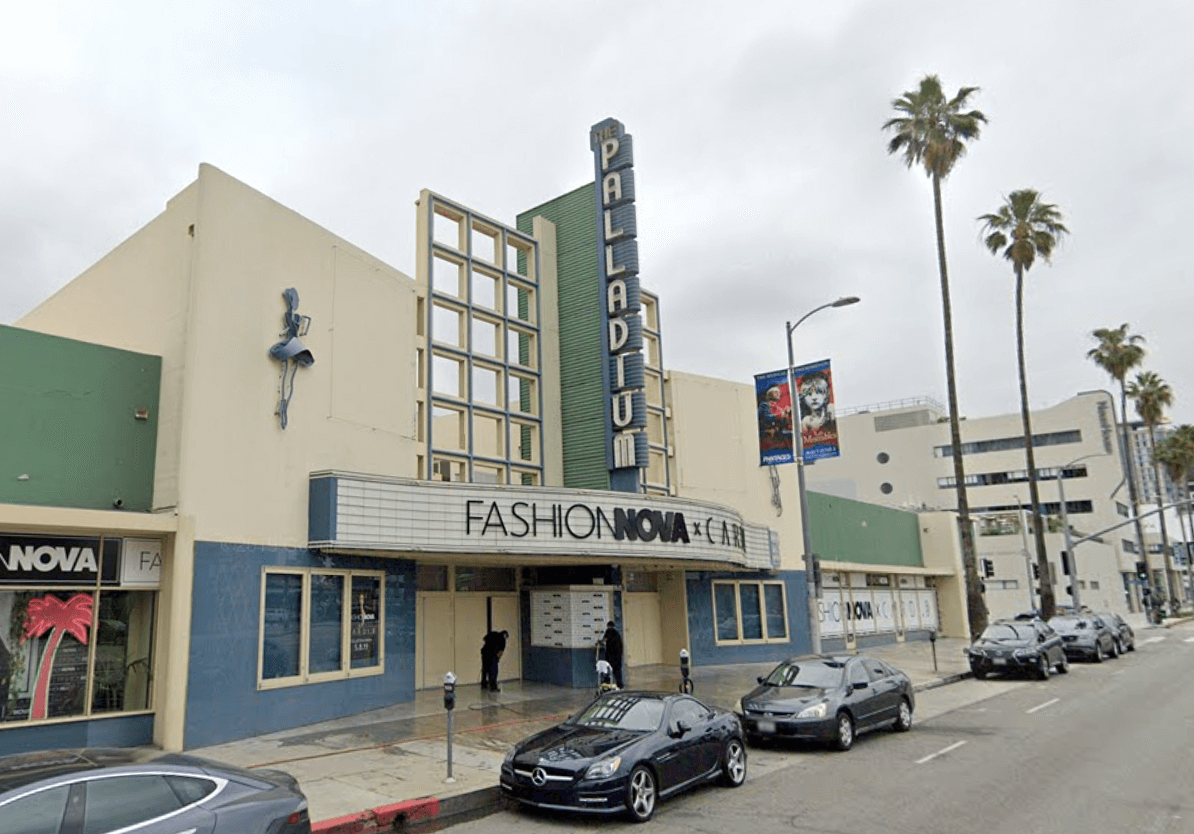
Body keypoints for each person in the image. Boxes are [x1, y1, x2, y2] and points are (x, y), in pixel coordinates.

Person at [797, 371, 835, 435]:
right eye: (808, 394)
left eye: (819, 392)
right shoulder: (806, 421)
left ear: (826, 394)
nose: (814, 397)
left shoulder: (831, 410)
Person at [601, 621, 624, 689]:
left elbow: (605, 639)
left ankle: (607, 682)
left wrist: (601, 642)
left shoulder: (609, 631)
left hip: (611, 655)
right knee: (617, 670)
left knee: (608, 668)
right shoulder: (617, 633)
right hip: (618, 655)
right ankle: (620, 684)